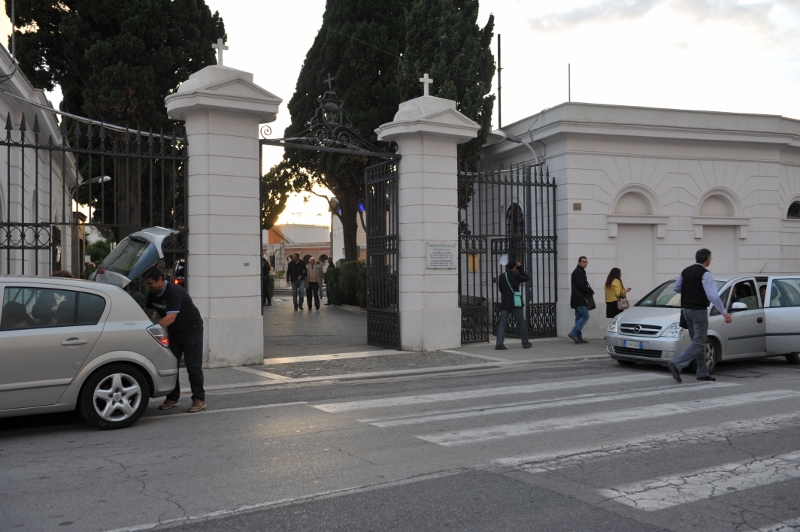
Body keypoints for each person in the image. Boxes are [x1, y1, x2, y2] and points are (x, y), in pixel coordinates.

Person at [144, 267, 207, 412]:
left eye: (150, 283)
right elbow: (147, 315)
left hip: (192, 329)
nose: (148, 287)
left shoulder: (174, 291)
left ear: (160, 279)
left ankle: (199, 399)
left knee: (193, 366)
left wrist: (150, 331)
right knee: (171, 365)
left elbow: (170, 317)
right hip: (173, 332)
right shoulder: (152, 294)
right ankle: (173, 398)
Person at [667, 248, 732, 383]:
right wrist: (724, 313)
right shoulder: (705, 274)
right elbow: (712, 295)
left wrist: (690, 292)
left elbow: (676, 288)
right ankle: (677, 364)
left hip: (686, 310)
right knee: (700, 341)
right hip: (699, 311)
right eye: (710, 259)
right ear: (708, 260)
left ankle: (702, 372)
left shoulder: (686, 271)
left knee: (698, 342)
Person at [495, 261, 532, 350]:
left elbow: (501, 289)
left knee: (502, 322)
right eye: (516, 267)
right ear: (514, 268)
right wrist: (521, 269)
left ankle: (499, 344)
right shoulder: (516, 275)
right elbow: (526, 278)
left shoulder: (501, 276)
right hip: (516, 302)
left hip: (505, 301)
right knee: (521, 322)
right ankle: (525, 342)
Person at [568, 256, 593, 344]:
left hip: (576, 298)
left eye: (586, 262)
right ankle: (573, 333)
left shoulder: (580, 271)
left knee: (578, 318)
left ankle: (578, 337)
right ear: (579, 262)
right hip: (580, 299)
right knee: (585, 316)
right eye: (583, 262)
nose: (585, 263)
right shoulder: (578, 272)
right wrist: (590, 290)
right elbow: (581, 285)